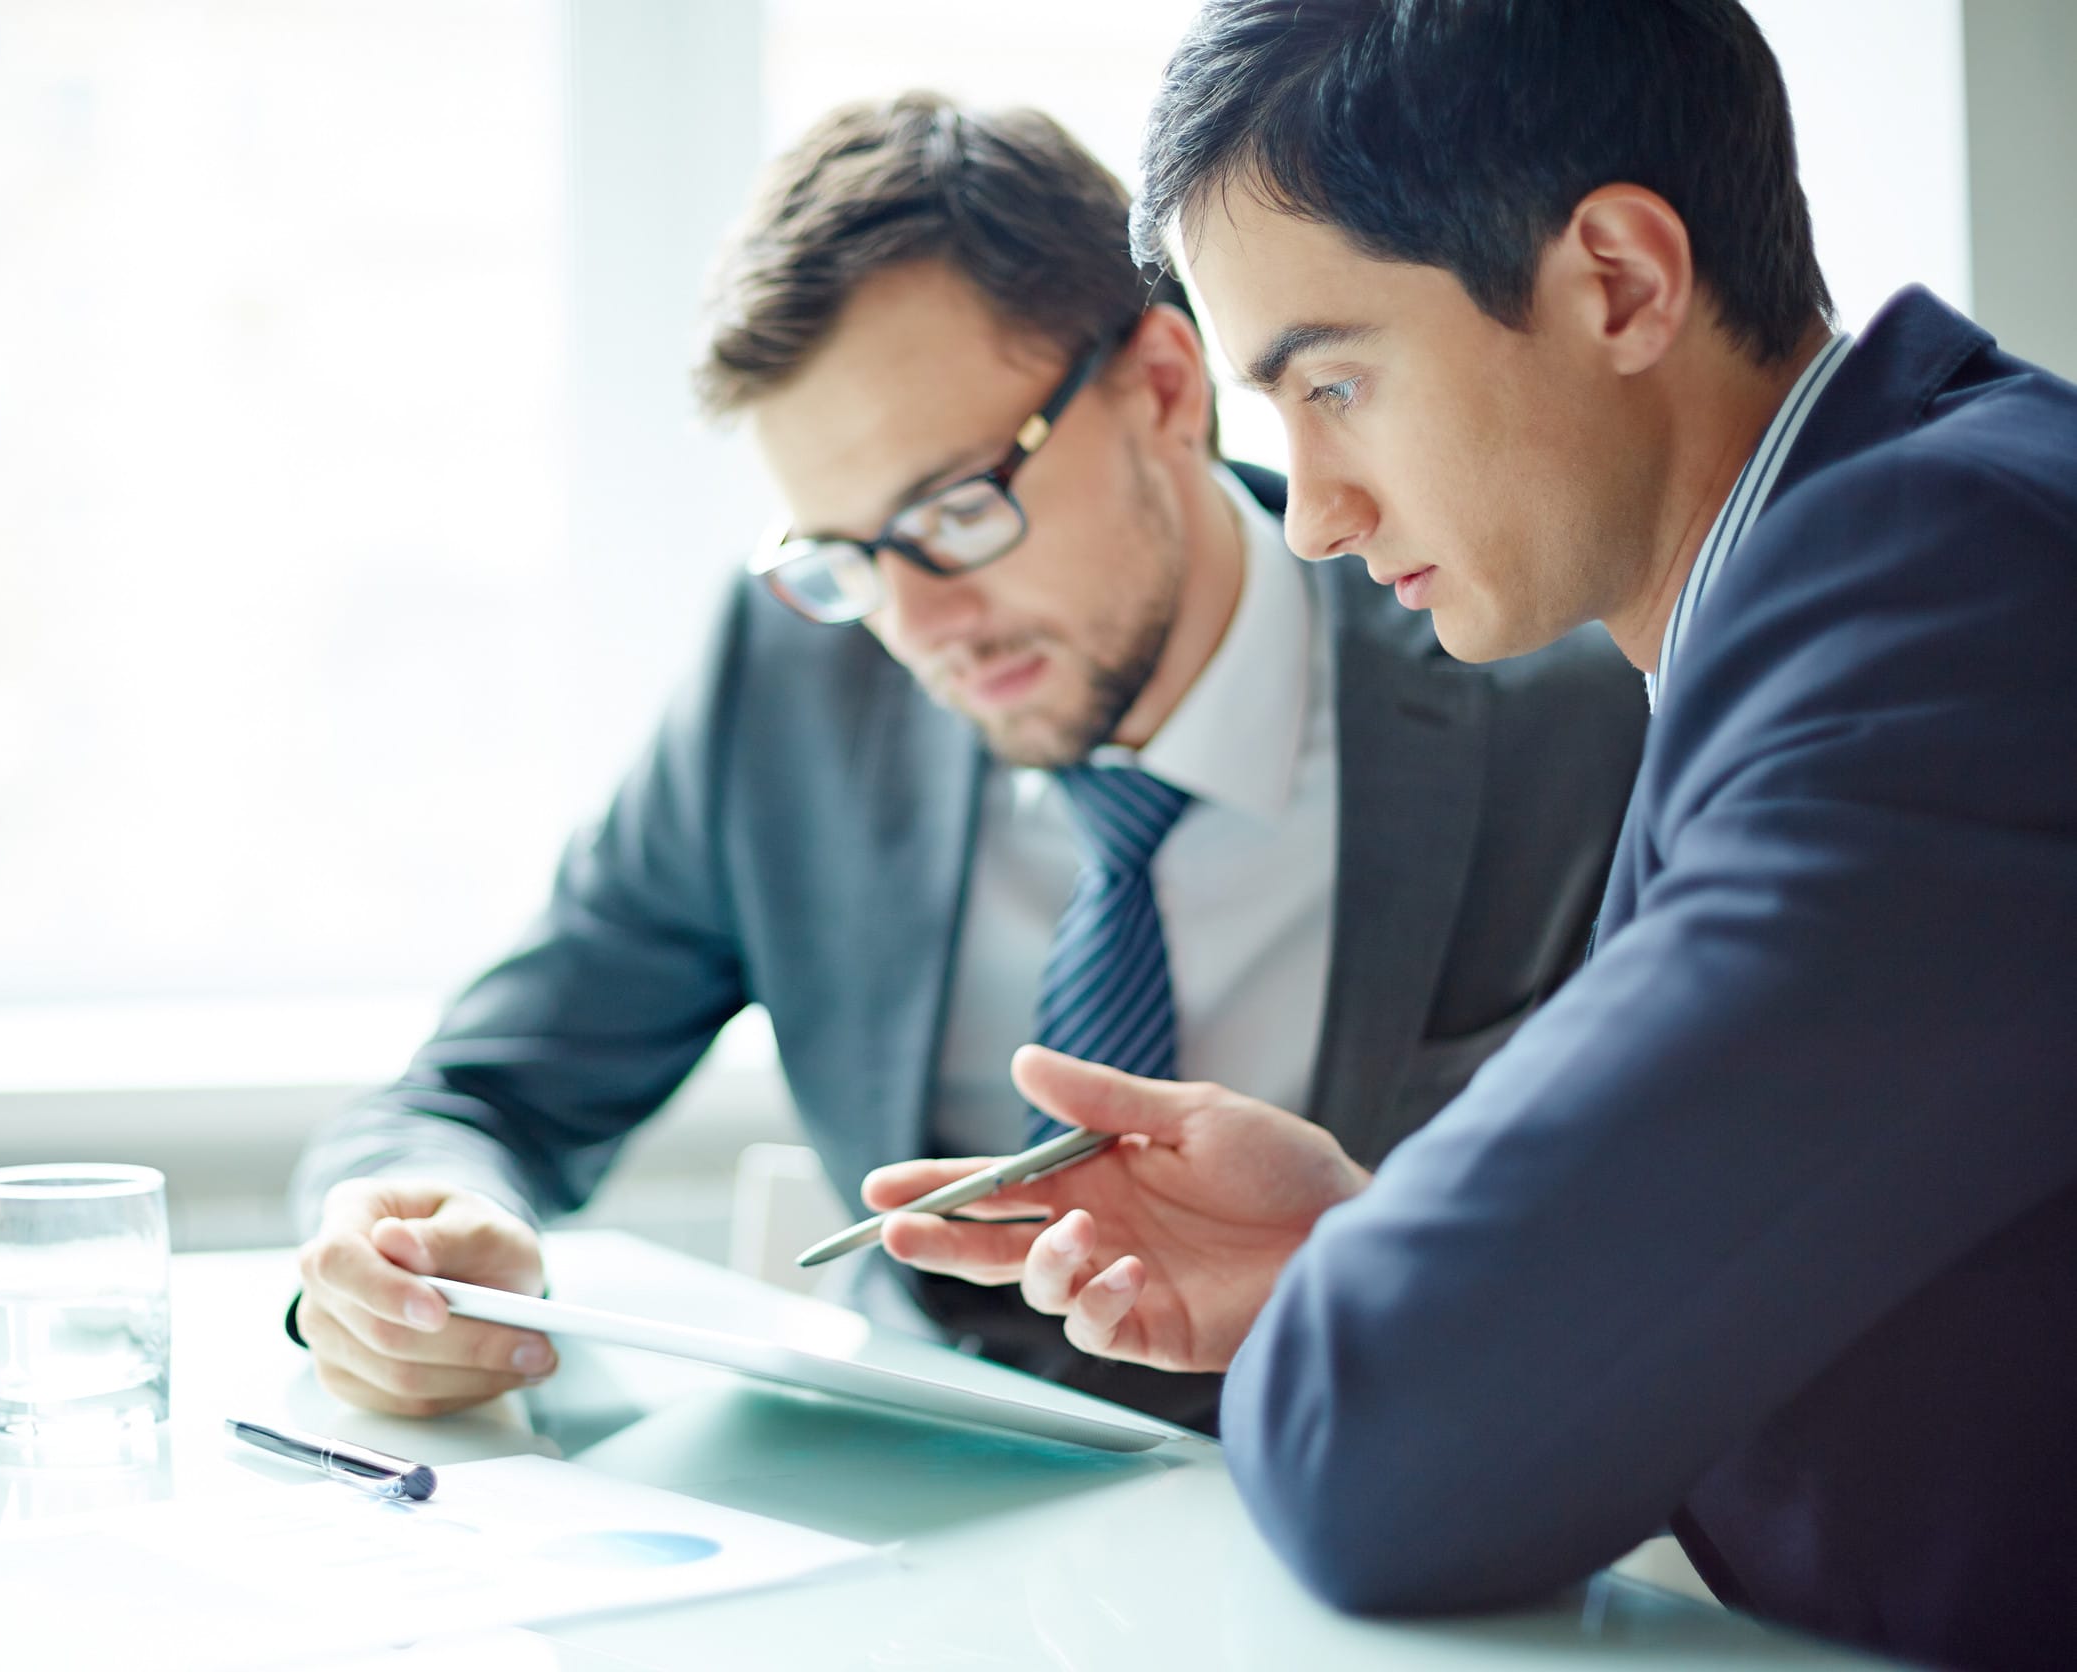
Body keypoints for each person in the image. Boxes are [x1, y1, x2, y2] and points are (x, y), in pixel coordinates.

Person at [866, 5, 2077, 1667]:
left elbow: (1384, 1454)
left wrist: (1393, 1311)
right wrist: (1360, 1252)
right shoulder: (1871, 565)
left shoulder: (1935, 603)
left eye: (1337, 384)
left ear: (1621, 283)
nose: (1313, 515)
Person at [286, 94, 1645, 1436]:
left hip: (1343, 1506)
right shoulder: (791, 681)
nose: (919, 626)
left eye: (954, 513)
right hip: (908, 1505)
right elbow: (481, 1092)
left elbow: (1654, 1271)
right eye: (848, 557)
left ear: (1165, 388)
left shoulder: (1550, 713)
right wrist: (409, 1236)